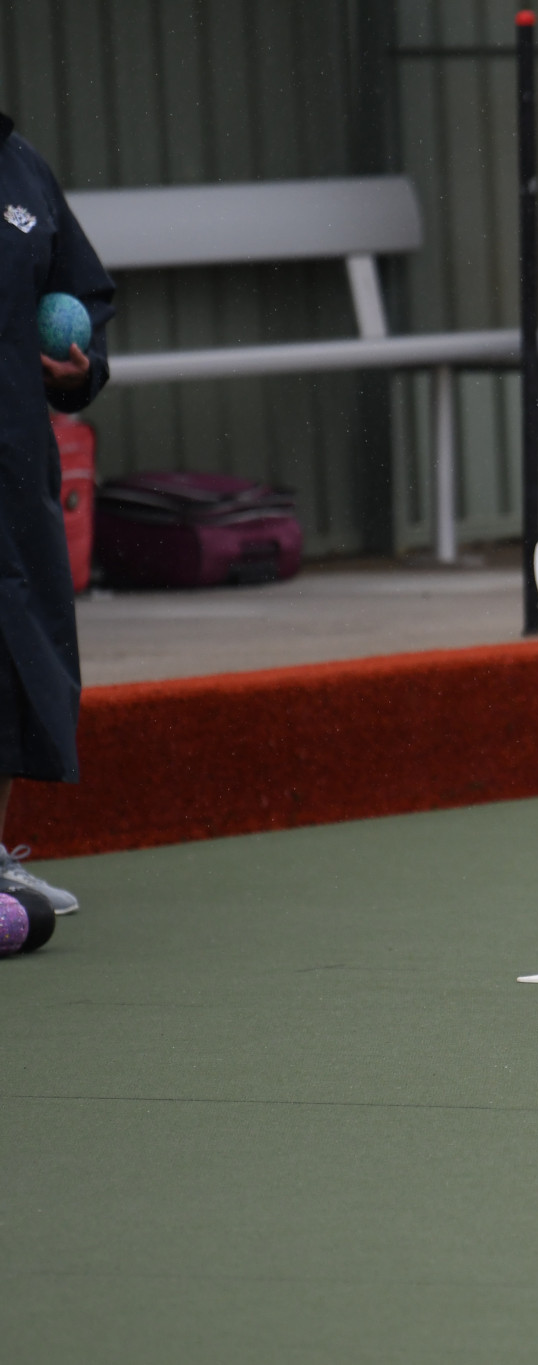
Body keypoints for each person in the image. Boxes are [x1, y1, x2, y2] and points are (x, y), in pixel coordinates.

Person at [0, 110, 115, 916]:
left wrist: (78, 370)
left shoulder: (21, 168)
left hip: (12, 461)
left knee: (14, 651)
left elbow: (80, 289)